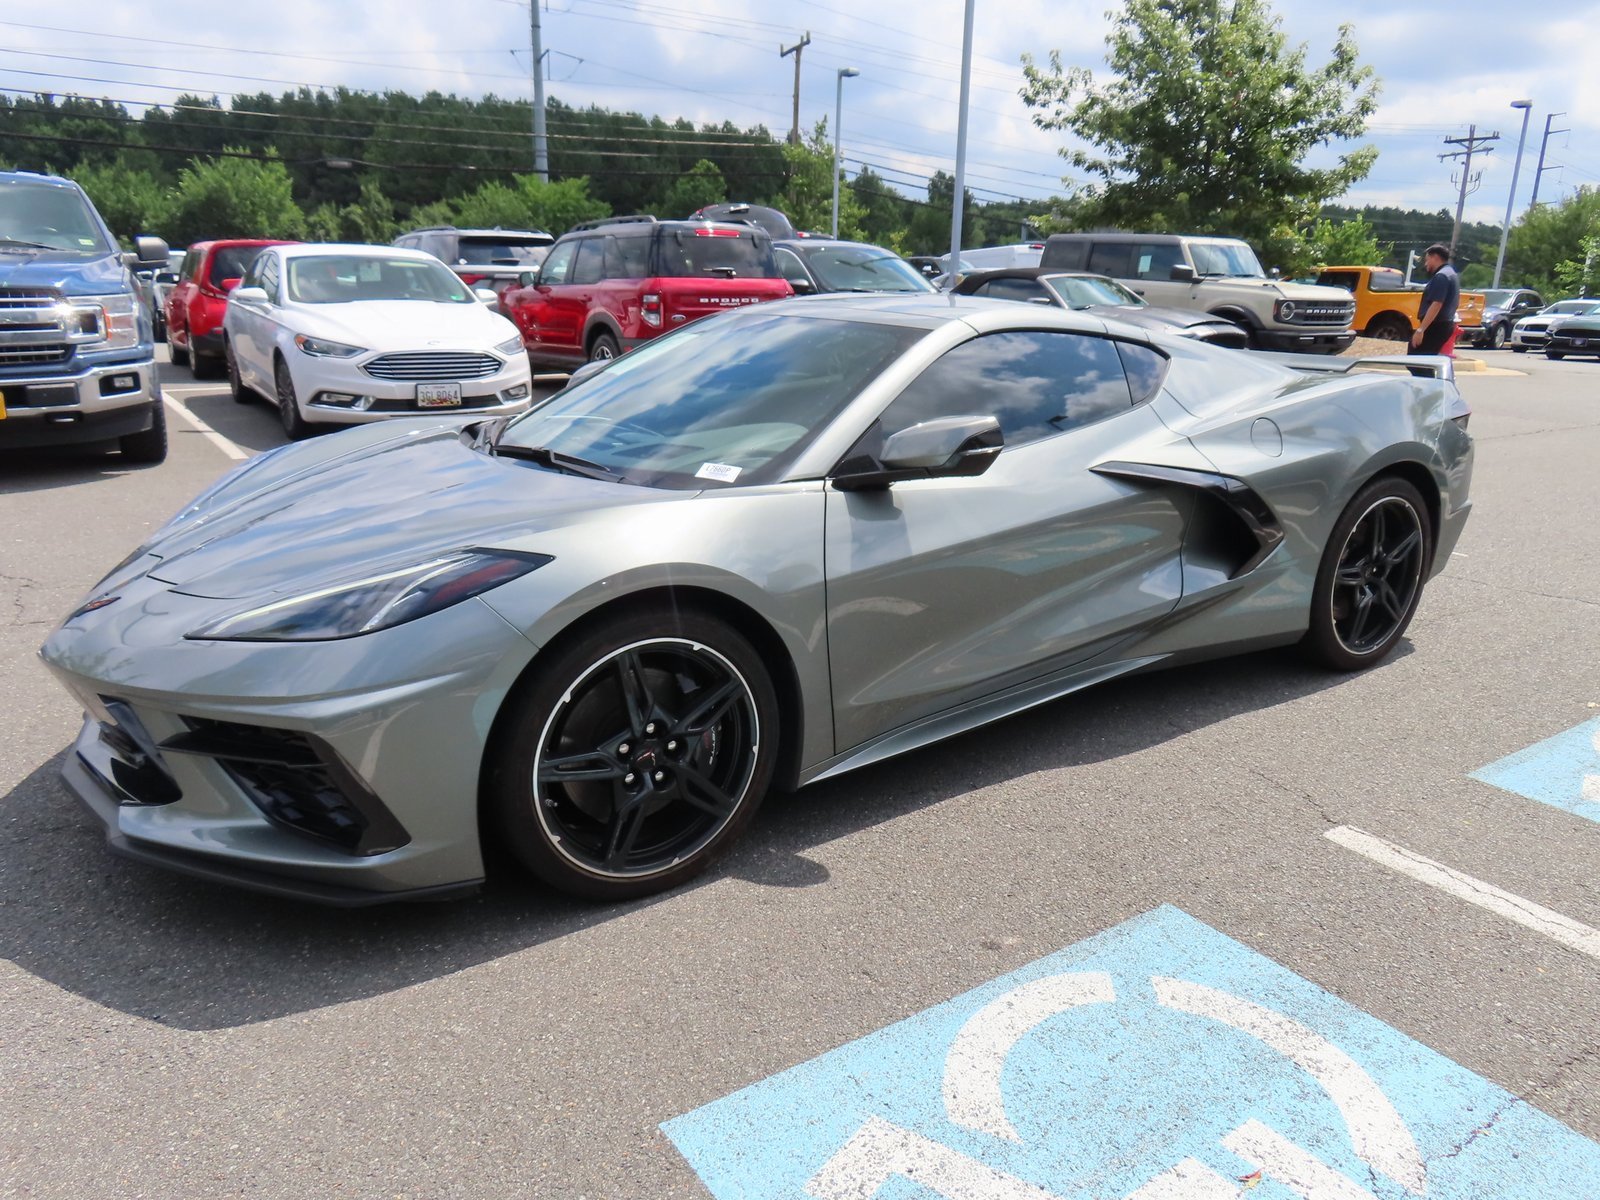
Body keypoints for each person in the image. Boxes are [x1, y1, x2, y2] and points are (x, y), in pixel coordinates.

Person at [1410, 243, 1459, 359]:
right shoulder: (1451, 274)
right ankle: (1433, 378)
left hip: (1435, 326)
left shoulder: (1441, 276)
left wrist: (1421, 329)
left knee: (1416, 360)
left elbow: (1437, 304)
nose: (1426, 264)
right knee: (1423, 361)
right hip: (1444, 325)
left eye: (1427, 260)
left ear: (1435, 258)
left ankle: (1434, 378)